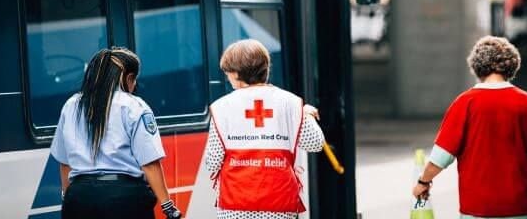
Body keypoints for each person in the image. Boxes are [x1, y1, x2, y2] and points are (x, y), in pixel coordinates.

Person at [412, 36, 527, 219]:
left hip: (477, 209)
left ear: (477, 65)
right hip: (521, 208)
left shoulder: (464, 103)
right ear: (512, 64)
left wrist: (423, 181)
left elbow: (442, 155)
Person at [50, 47, 182, 219]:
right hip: (123, 200)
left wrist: (67, 197)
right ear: (128, 78)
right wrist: (168, 206)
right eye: (134, 81)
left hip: (79, 198)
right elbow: (149, 163)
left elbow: (64, 163)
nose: (134, 87)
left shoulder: (71, 105)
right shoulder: (134, 106)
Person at [206, 39, 325, 219]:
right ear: (266, 68)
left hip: (236, 204)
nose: (227, 77)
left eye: (228, 72)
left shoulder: (222, 107)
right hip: (279, 202)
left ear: (237, 73)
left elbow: (212, 162)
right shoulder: (290, 103)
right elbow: (315, 143)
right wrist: (306, 114)